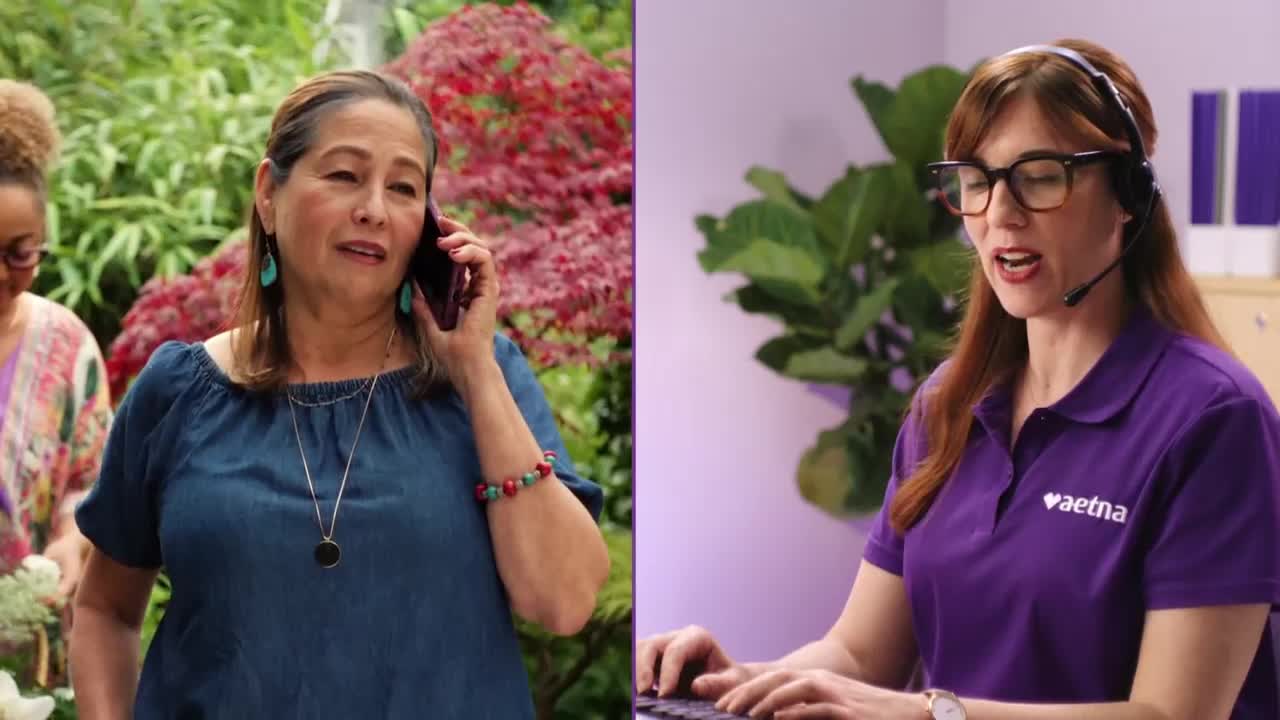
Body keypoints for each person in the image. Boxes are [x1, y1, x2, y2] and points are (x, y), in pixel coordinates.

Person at [638, 39, 1280, 719]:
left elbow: (1172, 715)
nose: (999, 211)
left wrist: (929, 713)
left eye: (1039, 174)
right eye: (975, 180)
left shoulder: (1214, 419)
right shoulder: (947, 404)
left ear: (1128, 196)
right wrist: (731, 685)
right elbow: (859, 656)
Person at [68, 69, 610, 719]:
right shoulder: (180, 392)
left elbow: (565, 600)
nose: (374, 210)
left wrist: (475, 369)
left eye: (404, 188)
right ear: (269, 193)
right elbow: (103, 609)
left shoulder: (481, 379)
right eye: (345, 175)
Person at [0, 78, 112, 606]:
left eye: (20, 254)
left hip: (31, 662)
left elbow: (91, 484)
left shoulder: (67, 347)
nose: (2, 275)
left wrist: (74, 539)